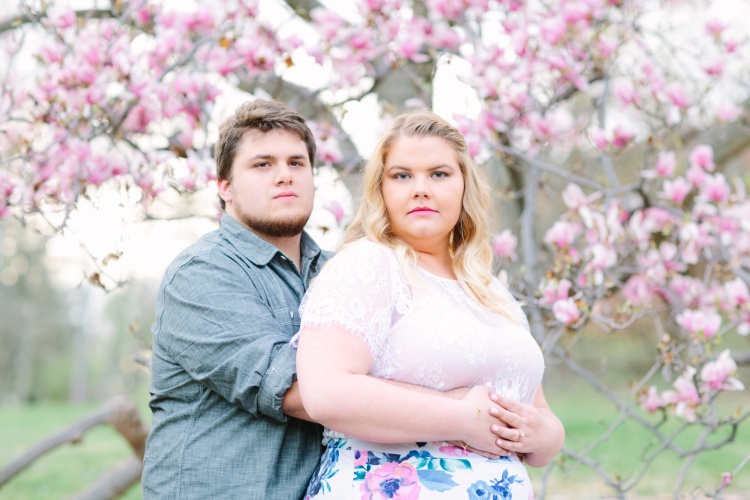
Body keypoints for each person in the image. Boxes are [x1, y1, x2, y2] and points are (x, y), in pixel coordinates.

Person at [296, 110, 565, 498]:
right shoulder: (368, 265)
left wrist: (542, 434)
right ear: (381, 189)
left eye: (438, 174)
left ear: (463, 186)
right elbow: (326, 393)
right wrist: (462, 420)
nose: (420, 189)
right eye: (402, 175)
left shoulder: (491, 291)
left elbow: (542, 417)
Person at [141, 99, 329, 498]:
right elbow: (299, 393)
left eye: (297, 163)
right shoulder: (200, 274)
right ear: (225, 187)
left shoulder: (340, 274)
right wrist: (452, 413)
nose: (284, 176)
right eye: (263, 164)